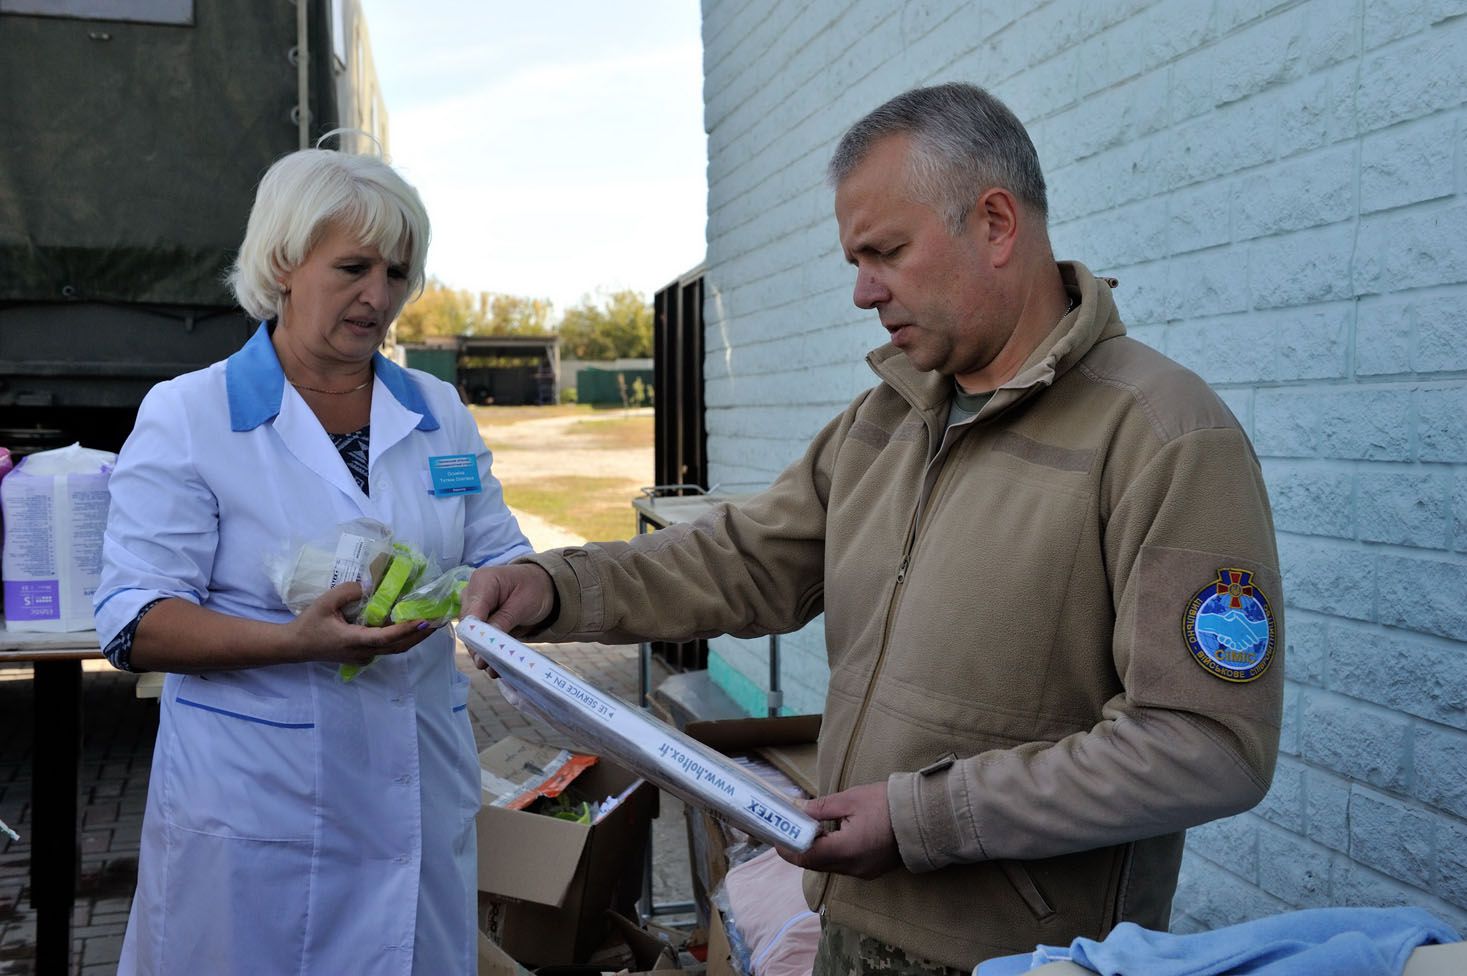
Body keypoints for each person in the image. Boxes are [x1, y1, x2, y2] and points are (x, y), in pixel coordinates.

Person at [462, 83, 1284, 972]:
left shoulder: (1161, 435)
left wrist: (920, 818)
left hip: (1026, 958)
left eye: (884, 252)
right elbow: (741, 560)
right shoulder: (885, 419)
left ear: (997, 224)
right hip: (854, 932)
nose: (862, 292)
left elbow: (1205, 748)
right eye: (855, 259)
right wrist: (559, 587)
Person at [94, 146, 531, 975]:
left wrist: (511, 598)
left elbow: (498, 550)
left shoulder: (436, 412)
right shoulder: (191, 415)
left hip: (414, 797)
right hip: (257, 807)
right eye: (354, 267)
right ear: (284, 263)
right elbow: (133, 620)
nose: (380, 296)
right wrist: (296, 642)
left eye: (398, 272)